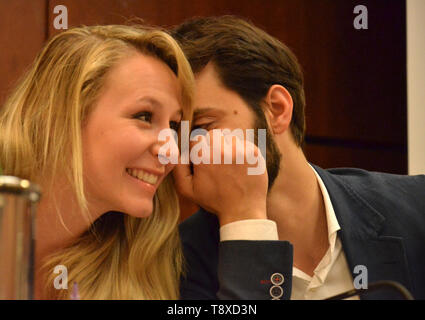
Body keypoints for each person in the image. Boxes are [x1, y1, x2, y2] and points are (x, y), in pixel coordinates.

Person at [171, 16, 425, 300]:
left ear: (277, 110)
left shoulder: (416, 206)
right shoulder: (174, 264)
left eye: (203, 128)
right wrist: (244, 220)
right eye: (177, 136)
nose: (188, 153)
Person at [0, 24, 195, 299]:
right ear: (64, 115)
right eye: (144, 116)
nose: (172, 152)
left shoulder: (136, 264)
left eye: (174, 125)